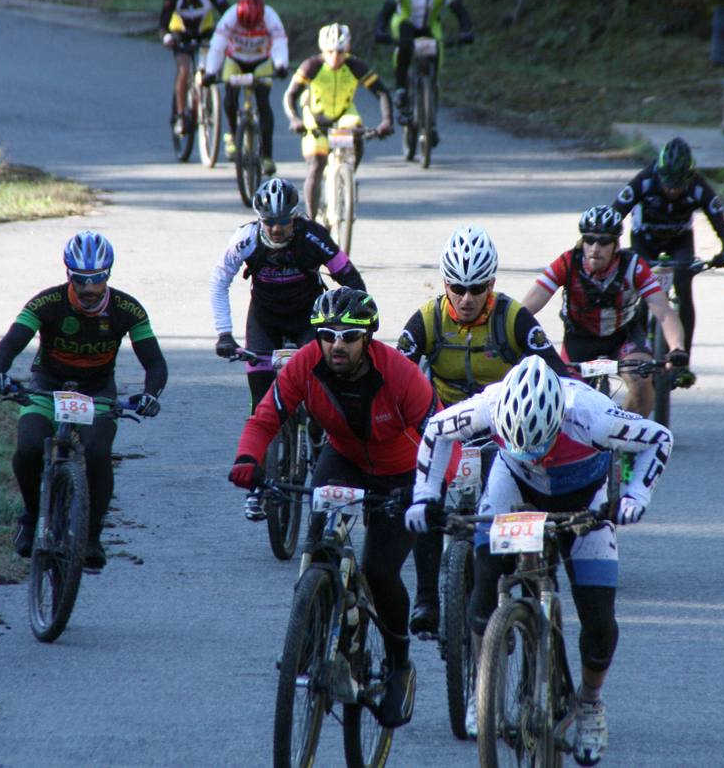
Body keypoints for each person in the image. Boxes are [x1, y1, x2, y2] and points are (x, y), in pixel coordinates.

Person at [408, 356, 671, 762]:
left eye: (540, 444)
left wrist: (636, 495)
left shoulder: (592, 416)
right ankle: (485, 685)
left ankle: (589, 705)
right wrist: (424, 498)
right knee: (483, 589)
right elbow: (436, 432)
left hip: (584, 496)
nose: (533, 454)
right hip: (512, 486)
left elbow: (659, 438)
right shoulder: (490, 405)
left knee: (599, 622)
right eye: (520, 444)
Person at [229, 289, 438, 729]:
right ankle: (310, 631)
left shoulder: (399, 373)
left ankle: (399, 663)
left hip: (400, 472)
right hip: (342, 459)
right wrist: (248, 459)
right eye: (327, 335)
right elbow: (266, 416)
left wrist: (426, 492)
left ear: (368, 338)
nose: (336, 344)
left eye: (348, 335)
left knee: (380, 573)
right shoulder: (306, 364)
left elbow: (440, 434)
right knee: (319, 547)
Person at [395, 224, 568, 637]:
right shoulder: (427, 319)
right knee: (423, 494)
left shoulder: (512, 317)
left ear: (491, 283)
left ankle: (509, 584)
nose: (467, 298)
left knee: (514, 502)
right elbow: (395, 374)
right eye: (457, 287)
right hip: (448, 425)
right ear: (445, 283)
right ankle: (426, 600)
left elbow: (558, 375)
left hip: (499, 427)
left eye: (477, 288)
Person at [0, 231, 167, 573]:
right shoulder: (46, 303)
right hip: (46, 385)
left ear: (108, 275)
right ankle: (31, 515)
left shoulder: (128, 309)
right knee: (28, 449)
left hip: (97, 391)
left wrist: (150, 395)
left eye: (97, 279)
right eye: (80, 279)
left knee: (98, 454)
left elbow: (155, 363)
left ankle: (92, 537)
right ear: (68, 273)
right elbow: (9, 344)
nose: (88, 288)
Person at [209, 178, 366, 513]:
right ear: (259, 220)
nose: (276, 229)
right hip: (264, 320)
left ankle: (319, 433)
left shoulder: (313, 237)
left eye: (283, 221)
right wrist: (224, 333)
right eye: (269, 222)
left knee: (321, 382)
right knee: (261, 404)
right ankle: (256, 487)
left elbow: (351, 279)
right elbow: (218, 281)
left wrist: (357, 329)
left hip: (309, 320)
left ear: (295, 217)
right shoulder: (246, 239)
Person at [522, 205, 688, 419]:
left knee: (641, 381)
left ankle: (627, 437)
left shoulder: (634, 266)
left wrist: (677, 347)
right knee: (564, 401)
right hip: (579, 337)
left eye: (603, 241)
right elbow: (528, 306)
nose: (595, 247)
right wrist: (510, 335)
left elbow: (664, 312)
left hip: (623, 335)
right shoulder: (567, 263)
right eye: (589, 240)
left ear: (616, 244)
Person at [610, 136, 724, 352]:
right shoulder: (645, 180)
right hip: (644, 238)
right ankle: (635, 349)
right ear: (659, 173)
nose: (672, 190)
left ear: (689, 176)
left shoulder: (699, 187)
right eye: (668, 183)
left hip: (679, 240)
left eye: (678, 185)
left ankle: (682, 356)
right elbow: (613, 216)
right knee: (640, 289)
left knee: (685, 290)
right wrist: (609, 246)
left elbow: (722, 226)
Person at [282, 22, 394, 218]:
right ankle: (312, 220)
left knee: (357, 132)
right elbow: (290, 95)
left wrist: (386, 121)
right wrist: (295, 119)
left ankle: (348, 176)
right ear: (323, 50)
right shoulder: (311, 66)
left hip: (344, 114)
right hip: (315, 117)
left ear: (347, 49)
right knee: (317, 164)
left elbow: (382, 92)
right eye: (331, 51)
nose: (335, 57)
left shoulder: (355, 65)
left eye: (340, 52)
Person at [372, 0, 474, 128]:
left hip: (430, 23)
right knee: (404, 46)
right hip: (405, 21)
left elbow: (461, 11)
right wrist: (380, 30)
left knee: (437, 50)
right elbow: (385, 11)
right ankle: (401, 88)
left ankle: (431, 90)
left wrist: (466, 31)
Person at [203, 0, 289, 176]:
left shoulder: (270, 17)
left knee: (263, 103)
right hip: (236, 60)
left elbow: (279, 42)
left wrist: (281, 64)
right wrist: (210, 72)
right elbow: (217, 46)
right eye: (245, 25)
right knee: (230, 97)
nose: (249, 29)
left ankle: (267, 156)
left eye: (254, 25)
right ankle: (234, 137)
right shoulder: (230, 17)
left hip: (261, 61)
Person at [158, 0, 228, 137]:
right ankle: (181, 115)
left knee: (206, 70)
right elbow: (162, 24)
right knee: (184, 69)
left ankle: (205, 101)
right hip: (180, 35)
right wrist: (167, 37)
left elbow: (228, 13)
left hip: (204, 34)